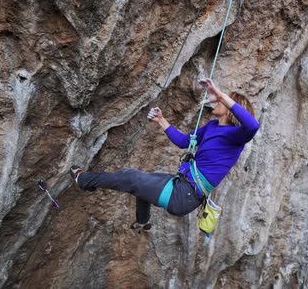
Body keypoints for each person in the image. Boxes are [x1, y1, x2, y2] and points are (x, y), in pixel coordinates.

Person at [69, 78, 259, 231]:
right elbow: (184, 142)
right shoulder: (212, 126)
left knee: (131, 179)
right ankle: (143, 222)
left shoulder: (237, 137)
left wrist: (221, 95)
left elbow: (253, 125)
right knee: (140, 182)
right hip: (181, 185)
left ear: (230, 108)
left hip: (184, 196)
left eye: (222, 101)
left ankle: (83, 180)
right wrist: (161, 120)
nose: (217, 101)